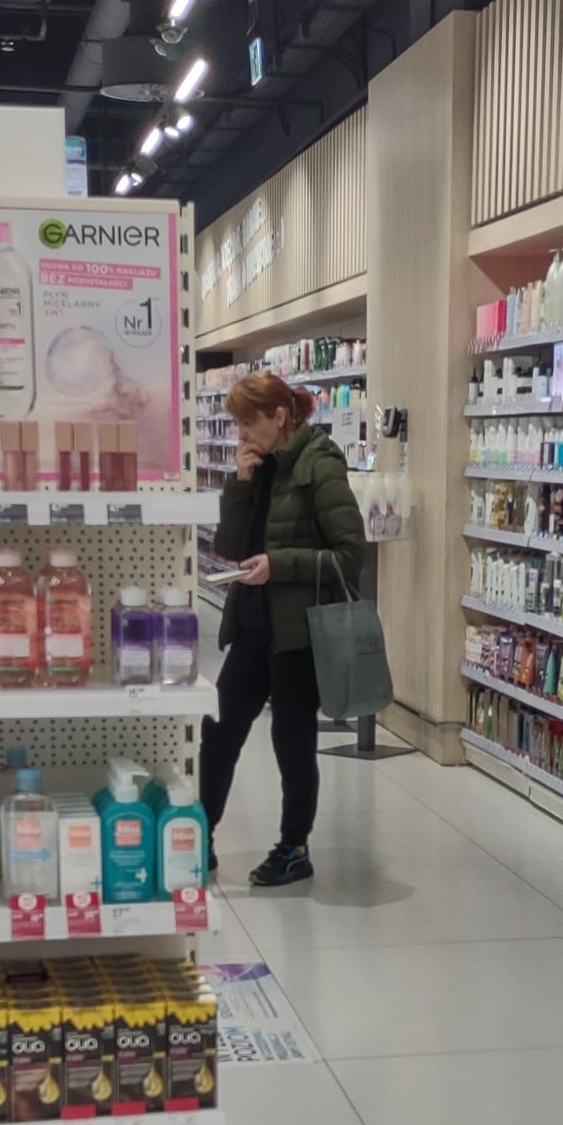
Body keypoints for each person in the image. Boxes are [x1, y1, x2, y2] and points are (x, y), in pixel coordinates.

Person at [201, 370, 366, 887]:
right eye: (236, 423)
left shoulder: (320, 464)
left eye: (248, 422)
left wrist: (280, 564)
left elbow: (350, 555)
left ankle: (294, 848)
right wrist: (240, 483)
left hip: (298, 633)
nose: (241, 433)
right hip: (253, 622)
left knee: (291, 742)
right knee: (219, 731)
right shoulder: (260, 465)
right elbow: (230, 546)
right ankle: (198, 836)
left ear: (279, 416)